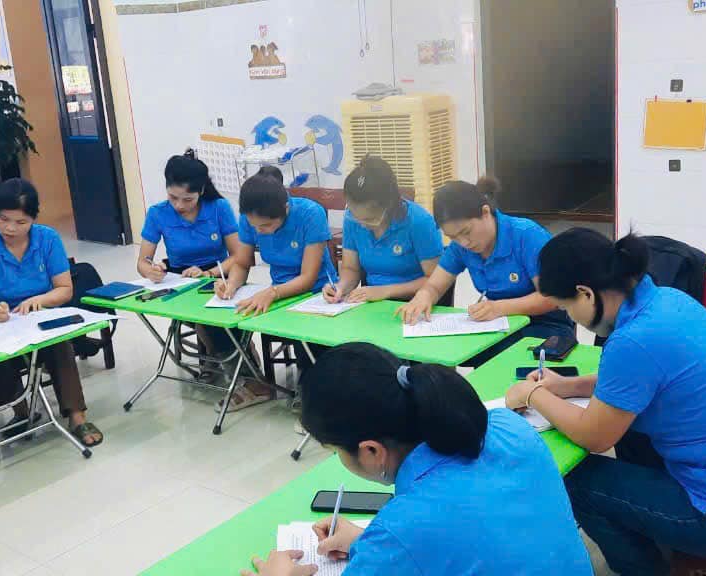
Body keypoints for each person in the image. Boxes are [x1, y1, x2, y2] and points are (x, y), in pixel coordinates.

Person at [505, 229, 706, 576]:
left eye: (566, 307)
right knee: (632, 443)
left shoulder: (632, 340)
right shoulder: (668, 301)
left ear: (585, 293)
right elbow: (641, 379)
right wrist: (567, 386)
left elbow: (594, 437)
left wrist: (533, 395)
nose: (572, 317)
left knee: (576, 482)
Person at [241, 342, 592, 576]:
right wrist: (370, 544)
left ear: (371, 450)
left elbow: (428, 532)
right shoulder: (509, 426)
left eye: (336, 451)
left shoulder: (401, 530)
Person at [0, 178, 103, 448]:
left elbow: (64, 289)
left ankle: (77, 416)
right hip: (0, 323)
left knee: (59, 344)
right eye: (3, 219)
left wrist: (41, 299)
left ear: (34, 219)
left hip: (40, 317)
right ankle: (22, 412)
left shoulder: (47, 238)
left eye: (21, 222)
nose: (10, 228)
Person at [395, 178, 574, 365]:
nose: (464, 243)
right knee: (440, 352)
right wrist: (423, 296)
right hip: (498, 325)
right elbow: (435, 285)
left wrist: (498, 308)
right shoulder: (460, 247)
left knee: (503, 362)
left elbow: (551, 298)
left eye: (466, 232)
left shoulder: (527, 235)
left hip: (545, 326)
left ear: (485, 212)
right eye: (453, 237)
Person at [215, 167, 338, 406]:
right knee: (221, 321)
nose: (259, 231)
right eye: (255, 226)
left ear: (286, 209)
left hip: (317, 292)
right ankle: (253, 382)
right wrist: (230, 285)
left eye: (266, 226)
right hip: (279, 292)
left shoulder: (310, 214)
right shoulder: (250, 217)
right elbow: (242, 262)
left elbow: (308, 277)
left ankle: (311, 391)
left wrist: (272, 293)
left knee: (303, 329)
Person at [136, 150, 250, 389]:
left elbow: (239, 256)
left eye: (187, 199)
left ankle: (240, 372)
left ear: (201, 191)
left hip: (219, 274)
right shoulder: (157, 213)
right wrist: (151, 270)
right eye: (173, 197)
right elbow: (142, 263)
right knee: (203, 317)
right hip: (179, 279)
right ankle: (237, 370)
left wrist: (209, 273)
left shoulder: (218, 207)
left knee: (214, 315)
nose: (179, 205)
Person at [323, 155, 442, 304]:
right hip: (372, 302)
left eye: (370, 219)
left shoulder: (419, 221)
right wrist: (340, 287)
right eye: (355, 216)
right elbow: (350, 269)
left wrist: (386, 291)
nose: (362, 225)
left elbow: (436, 279)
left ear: (389, 204)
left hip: (415, 303)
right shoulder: (351, 219)